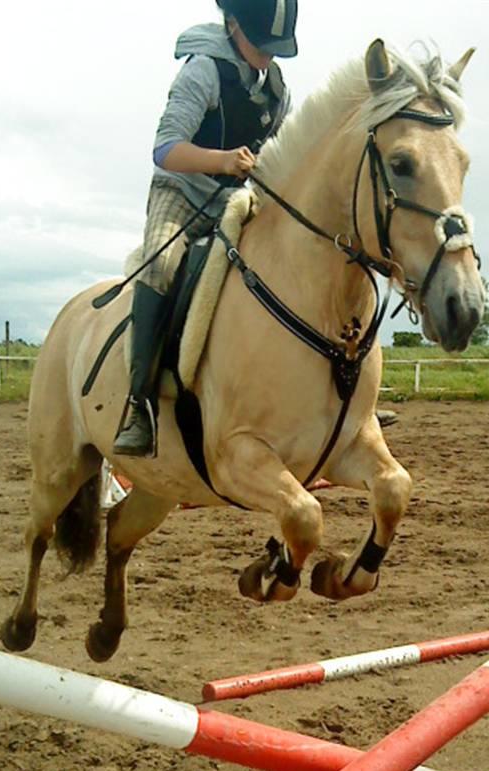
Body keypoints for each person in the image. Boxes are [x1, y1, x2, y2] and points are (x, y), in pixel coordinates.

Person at [113, 0, 299, 457]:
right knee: (161, 266)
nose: (267, 55)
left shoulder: (278, 90)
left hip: (235, 200)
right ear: (232, 24)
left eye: (274, 47)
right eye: (260, 44)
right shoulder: (201, 70)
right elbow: (165, 149)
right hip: (181, 194)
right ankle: (138, 404)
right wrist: (220, 161)